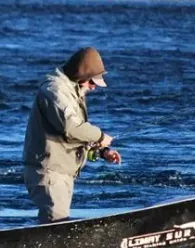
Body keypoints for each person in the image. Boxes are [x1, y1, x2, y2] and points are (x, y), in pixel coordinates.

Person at [23, 47, 122, 224]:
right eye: (92, 83)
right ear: (81, 77)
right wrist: (100, 136)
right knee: (56, 228)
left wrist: (101, 152)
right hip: (49, 173)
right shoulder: (54, 92)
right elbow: (71, 127)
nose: (93, 88)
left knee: (57, 225)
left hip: (61, 173)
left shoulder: (72, 92)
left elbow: (70, 138)